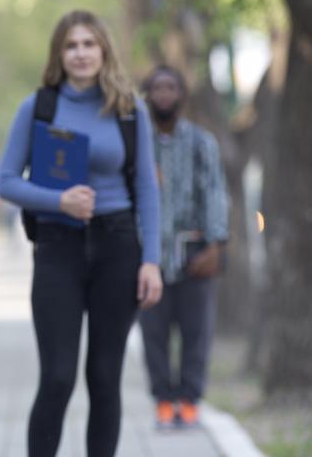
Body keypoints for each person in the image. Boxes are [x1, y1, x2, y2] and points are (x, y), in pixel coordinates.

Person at [0, 10, 164, 457]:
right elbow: (6, 180)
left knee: (106, 377)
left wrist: (152, 260)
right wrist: (59, 201)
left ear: (104, 50)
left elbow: (147, 186)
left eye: (90, 43)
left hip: (119, 246)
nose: (81, 53)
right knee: (57, 377)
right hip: (58, 248)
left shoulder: (130, 109)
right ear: (60, 55)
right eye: (72, 45)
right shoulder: (39, 107)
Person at [137, 65, 228, 429]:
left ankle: (189, 400)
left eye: (170, 87)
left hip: (195, 253)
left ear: (181, 95)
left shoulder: (202, 142)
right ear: (147, 96)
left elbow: (217, 193)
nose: (163, 94)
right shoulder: (137, 144)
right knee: (154, 334)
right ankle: (163, 399)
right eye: (156, 88)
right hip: (149, 256)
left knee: (196, 333)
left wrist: (217, 245)